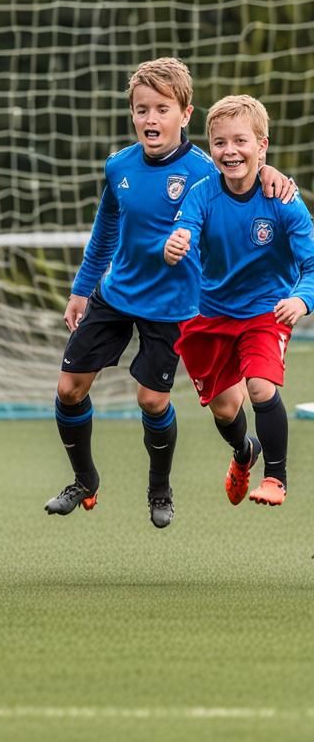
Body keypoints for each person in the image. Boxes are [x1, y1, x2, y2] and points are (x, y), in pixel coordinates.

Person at [44, 57, 294, 528]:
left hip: (177, 306)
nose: (150, 119)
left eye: (162, 109)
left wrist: (273, 174)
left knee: (170, 402)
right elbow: (104, 233)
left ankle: (191, 474)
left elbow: (245, 173)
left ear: (185, 113)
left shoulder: (206, 171)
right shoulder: (118, 165)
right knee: (68, 388)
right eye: (141, 110)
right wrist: (81, 289)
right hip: (116, 296)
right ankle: (85, 480)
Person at [164, 94, 314, 508]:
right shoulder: (201, 193)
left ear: (262, 146)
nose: (230, 151)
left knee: (261, 387)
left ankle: (276, 479)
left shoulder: (284, 200)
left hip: (266, 312)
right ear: (210, 146)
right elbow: (185, 229)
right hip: (211, 313)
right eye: (220, 143)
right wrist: (176, 243)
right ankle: (244, 453)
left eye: (241, 141)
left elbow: (313, 264)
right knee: (226, 409)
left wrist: (301, 301)